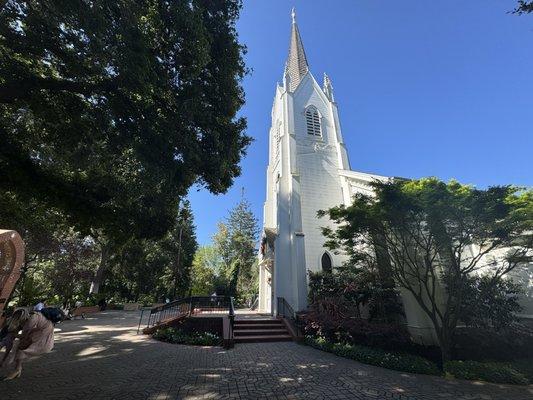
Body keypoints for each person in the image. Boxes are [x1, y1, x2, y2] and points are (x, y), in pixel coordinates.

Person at [2, 309, 55, 380]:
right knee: (20, 347)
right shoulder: (33, 314)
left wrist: (13, 334)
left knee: (21, 348)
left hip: (42, 334)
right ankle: (17, 369)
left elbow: (23, 336)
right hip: (43, 331)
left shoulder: (29, 323)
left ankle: (17, 370)